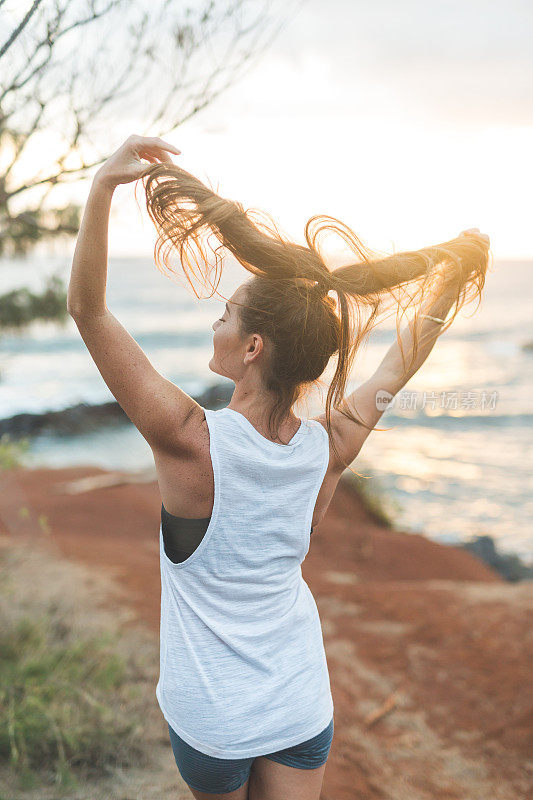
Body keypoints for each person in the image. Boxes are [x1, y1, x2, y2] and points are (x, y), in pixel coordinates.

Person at [67, 135, 491, 800]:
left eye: (224, 315)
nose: (215, 324)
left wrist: (100, 189)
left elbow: (88, 312)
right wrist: (451, 280)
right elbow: (396, 365)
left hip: (215, 720)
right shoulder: (331, 445)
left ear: (251, 347)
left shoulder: (189, 439)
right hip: (299, 704)